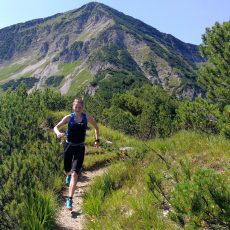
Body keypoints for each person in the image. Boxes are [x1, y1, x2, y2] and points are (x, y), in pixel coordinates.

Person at [53, 98, 99, 211]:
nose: (78, 109)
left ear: (82, 108)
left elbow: (96, 128)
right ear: (73, 107)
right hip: (69, 146)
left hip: (80, 147)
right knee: (67, 170)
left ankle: (70, 199)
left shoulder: (87, 118)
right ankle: (67, 175)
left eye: (80, 107)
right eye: (76, 107)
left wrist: (97, 140)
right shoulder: (69, 117)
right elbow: (55, 127)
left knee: (75, 174)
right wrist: (58, 133)